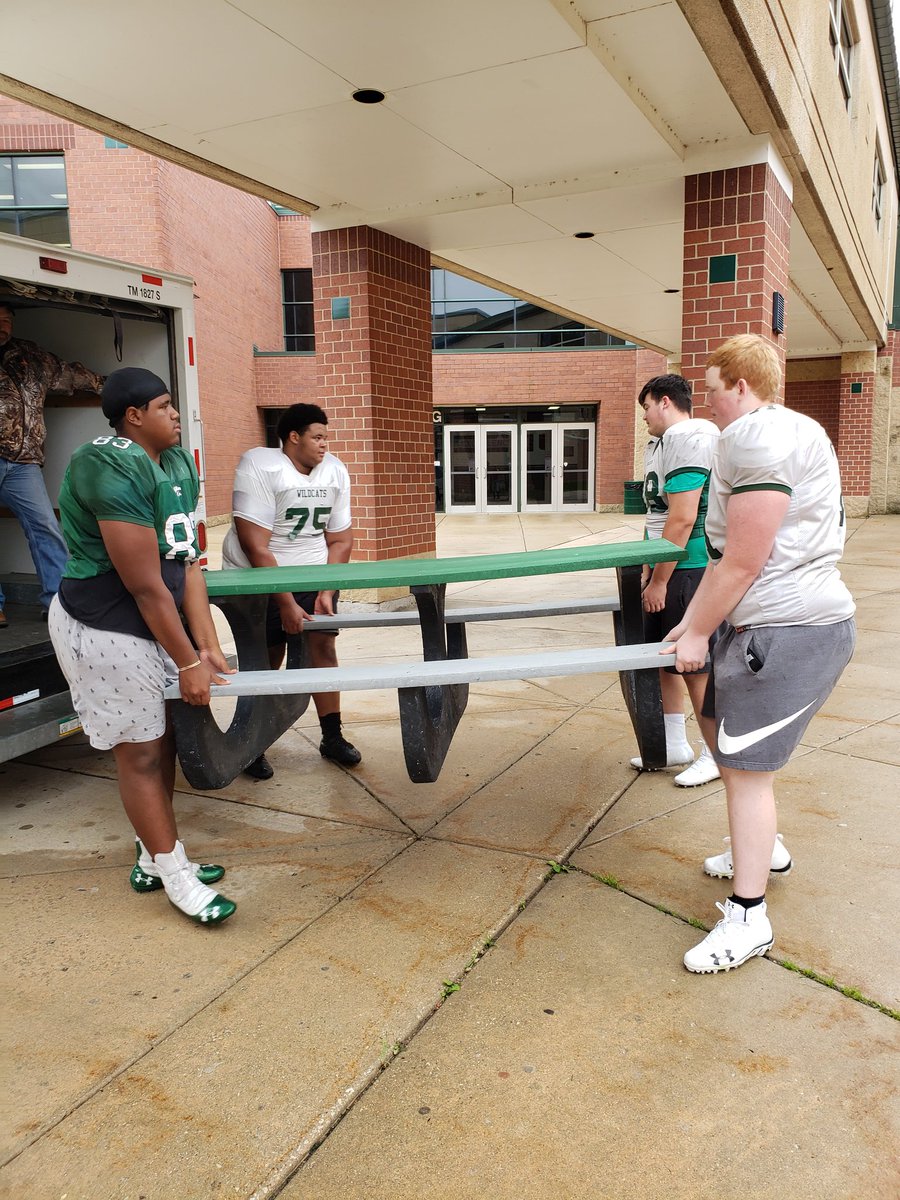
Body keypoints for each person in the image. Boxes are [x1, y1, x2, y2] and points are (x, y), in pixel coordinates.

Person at [664, 335, 855, 973]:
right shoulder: (793, 429)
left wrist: (693, 632)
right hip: (778, 624)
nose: (708, 404)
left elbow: (744, 559)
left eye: (714, 391)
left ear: (740, 387)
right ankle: (763, 850)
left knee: (745, 774)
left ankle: (749, 918)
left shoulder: (753, 437)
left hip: (788, 630)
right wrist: (693, 624)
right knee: (726, 746)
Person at [47, 367, 236, 926]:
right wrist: (185, 661)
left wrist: (207, 644)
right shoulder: (104, 462)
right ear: (133, 417)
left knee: (167, 736)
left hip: (153, 620)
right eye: (164, 405)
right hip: (105, 621)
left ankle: (156, 856)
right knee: (142, 750)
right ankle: (174, 874)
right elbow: (144, 584)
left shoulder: (175, 462)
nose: (176, 414)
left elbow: (188, 563)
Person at [222, 403, 361, 779]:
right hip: (259, 577)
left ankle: (332, 736)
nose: (324, 445)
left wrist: (327, 590)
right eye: (317, 437)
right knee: (267, 657)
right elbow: (256, 547)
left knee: (323, 648)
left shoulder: (334, 470)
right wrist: (284, 601)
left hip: (311, 570)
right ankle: (254, 743)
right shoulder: (259, 465)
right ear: (293, 437)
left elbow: (341, 539)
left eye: (326, 437)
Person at [630, 373, 720, 787]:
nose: (645, 416)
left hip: (687, 567)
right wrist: (649, 568)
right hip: (666, 566)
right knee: (665, 659)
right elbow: (656, 517)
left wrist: (660, 580)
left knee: (693, 663)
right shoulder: (664, 442)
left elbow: (683, 518)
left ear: (665, 402)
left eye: (646, 407)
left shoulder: (691, 437)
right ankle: (673, 744)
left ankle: (714, 753)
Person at [0, 302, 103, 627]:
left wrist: (108, 383)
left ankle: (58, 603)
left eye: (6, 320)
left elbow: (68, 374)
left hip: (23, 462)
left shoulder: (30, 357)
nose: (2, 325)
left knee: (45, 527)